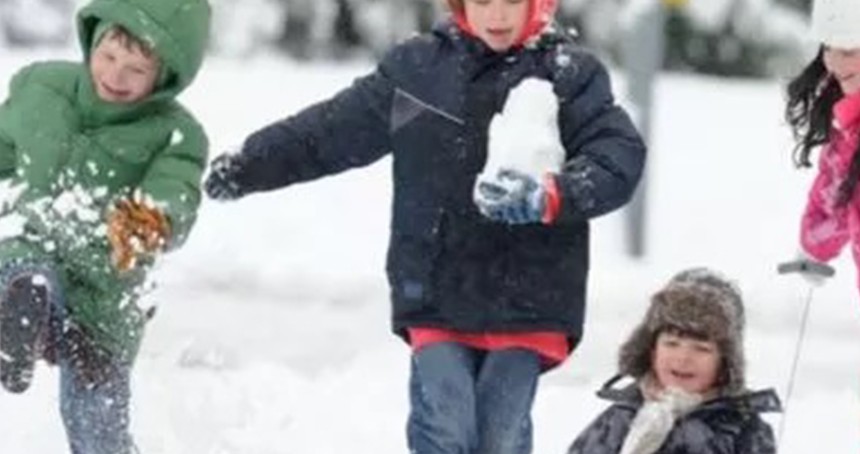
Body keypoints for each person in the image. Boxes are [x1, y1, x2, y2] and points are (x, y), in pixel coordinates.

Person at [204, 0, 645, 452]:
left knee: (502, 435)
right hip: (438, 288)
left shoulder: (570, 76)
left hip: (529, 296)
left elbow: (617, 157)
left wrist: (553, 194)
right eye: (481, 1)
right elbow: (330, 131)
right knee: (444, 427)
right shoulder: (418, 73)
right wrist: (249, 165)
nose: (496, 15)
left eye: (513, 1)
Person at [0, 0, 211, 452]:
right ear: (92, 40)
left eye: (136, 70)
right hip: (31, 250)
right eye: (109, 57)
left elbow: (177, 189)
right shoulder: (42, 88)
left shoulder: (176, 134)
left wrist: (151, 220)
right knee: (19, 263)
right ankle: (20, 312)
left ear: (166, 76)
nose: (115, 77)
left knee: (96, 428)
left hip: (104, 293)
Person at [567, 268, 781, 454]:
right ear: (651, 350)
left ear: (725, 362)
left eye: (701, 349)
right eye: (671, 343)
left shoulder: (741, 430)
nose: (684, 358)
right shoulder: (622, 418)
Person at [787, 0, 860, 290]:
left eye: (849, 51)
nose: (835, 64)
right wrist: (815, 245)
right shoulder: (850, 122)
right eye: (828, 48)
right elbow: (838, 190)